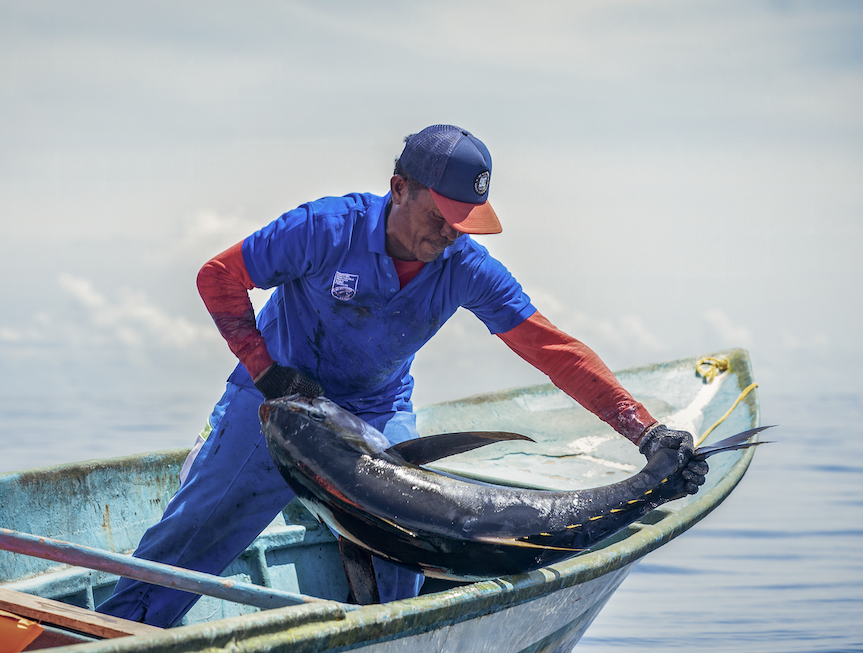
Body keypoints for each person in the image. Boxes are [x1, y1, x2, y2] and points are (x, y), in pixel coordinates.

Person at [96, 124, 708, 627]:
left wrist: (647, 434)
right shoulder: (325, 229)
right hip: (277, 403)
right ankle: (115, 636)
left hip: (376, 410)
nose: (450, 233)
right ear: (398, 189)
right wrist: (267, 373)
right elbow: (218, 276)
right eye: (441, 215)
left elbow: (552, 351)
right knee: (186, 547)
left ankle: (390, 633)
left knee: (407, 558)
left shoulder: (465, 266)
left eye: (464, 220)